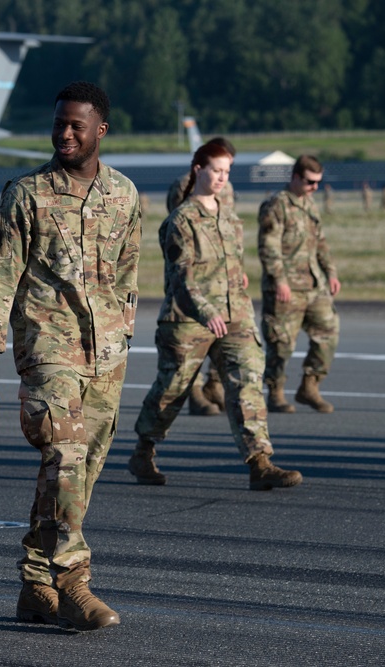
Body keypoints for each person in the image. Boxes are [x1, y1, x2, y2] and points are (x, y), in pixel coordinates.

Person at [0, 81, 140, 632]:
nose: (65, 133)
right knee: (65, 455)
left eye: (76, 126)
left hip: (107, 354)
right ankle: (73, 583)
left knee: (77, 473)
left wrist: (124, 336)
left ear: (100, 131)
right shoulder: (27, 194)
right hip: (47, 349)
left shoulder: (125, 194)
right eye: (59, 123)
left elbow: (128, 274)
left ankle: (35, 584)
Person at [129, 142, 303, 491]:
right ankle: (143, 450)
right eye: (216, 171)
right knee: (173, 390)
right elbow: (182, 277)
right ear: (198, 170)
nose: (222, 178)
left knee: (247, 381)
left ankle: (260, 462)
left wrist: (237, 276)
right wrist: (206, 312)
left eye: (227, 172)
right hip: (189, 318)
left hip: (234, 314)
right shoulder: (180, 221)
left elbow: (229, 261)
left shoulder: (230, 216)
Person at [258, 155, 340, 414]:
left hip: (314, 285)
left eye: (318, 183)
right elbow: (268, 248)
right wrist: (280, 281)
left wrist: (331, 273)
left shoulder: (310, 204)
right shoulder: (276, 206)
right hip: (286, 289)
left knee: (328, 332)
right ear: (294, 177)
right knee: (281, 343)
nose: (314, 187)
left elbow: (321, 242)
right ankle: (275, 392)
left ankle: (310, 386)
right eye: (309, 182)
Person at [165, 137, 239, 417]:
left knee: (224, 332)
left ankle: (213, 385)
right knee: (189, 340)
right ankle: (194, 393)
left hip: (220, 277)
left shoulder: (226, 188)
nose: (224, 175)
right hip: (194, 273)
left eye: (228, 168)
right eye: (220, 167)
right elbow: (180, 232)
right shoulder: (184, 187)